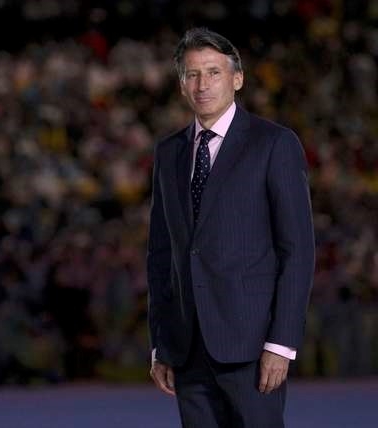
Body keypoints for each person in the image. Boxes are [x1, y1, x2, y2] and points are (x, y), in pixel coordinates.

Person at [147, 28, 314, 427]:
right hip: (187, 349)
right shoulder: (169, 153)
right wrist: (162, 344)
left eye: (213, 72)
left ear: (237, 79)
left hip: (252, 347)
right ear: (181, 85)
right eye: (192, 75)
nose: (202, 84)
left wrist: (281, 343)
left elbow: (298, 250)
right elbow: (161, 255)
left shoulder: (274, 144)